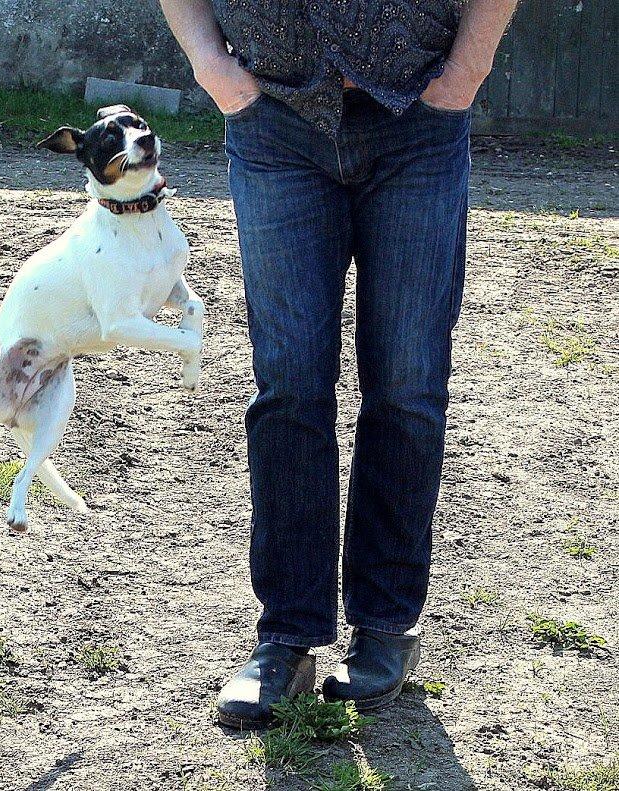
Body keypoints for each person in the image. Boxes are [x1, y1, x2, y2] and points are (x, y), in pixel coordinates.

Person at [159, 0, 518, 728]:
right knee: (288, 386)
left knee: (407, 385)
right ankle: (286, 638)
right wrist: (209, 64)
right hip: (274, 121)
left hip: (418, 119)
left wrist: (466, 71)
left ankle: (385, 625)